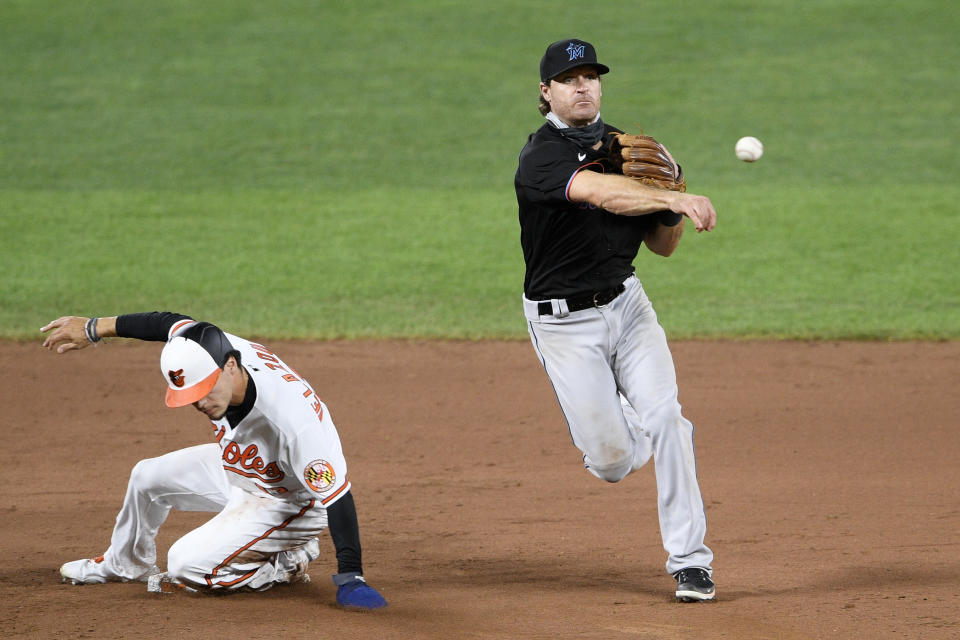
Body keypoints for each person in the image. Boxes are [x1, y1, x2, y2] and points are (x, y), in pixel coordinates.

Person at [514, 39, 717, 602]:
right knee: (610, 463)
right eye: (569, 78)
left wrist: (670, 192)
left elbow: (663, 247)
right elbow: (598, 192)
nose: (583, 86)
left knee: (670, 421)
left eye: (591, 76)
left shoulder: (633, 148)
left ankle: (690, 561)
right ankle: (627, 415)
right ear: (546, 91)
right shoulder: (541, 158)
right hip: (563, 325)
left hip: (627, 307)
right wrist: (672, 199)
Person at [40, 312, 387, 610]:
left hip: (291, 500)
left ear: (231, 365)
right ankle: (125, 563)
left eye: (205, 391)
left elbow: (338, 497)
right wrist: (93, 328)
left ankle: (284, 564)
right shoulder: (210, 346)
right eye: (190, 396)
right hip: (245, 469)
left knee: (184, 566)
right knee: (147, 476)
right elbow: (168, 323)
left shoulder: (292, 422)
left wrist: (350, 577)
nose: (201, 403)